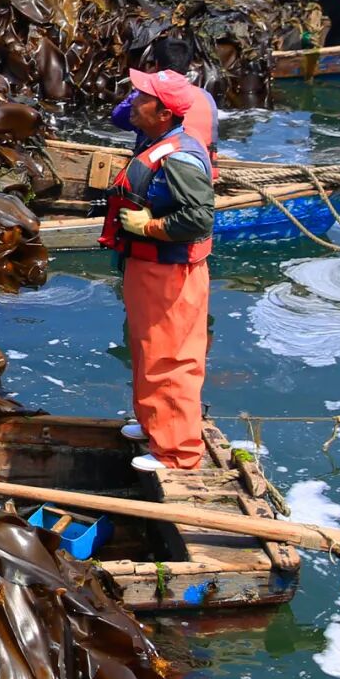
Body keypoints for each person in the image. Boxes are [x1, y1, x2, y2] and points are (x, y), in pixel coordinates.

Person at [100, 69, 215, 474]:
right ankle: (155, 426)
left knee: (172, 358)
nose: (132, 100)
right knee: (147, 350)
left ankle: (178, 454)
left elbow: (199, 219)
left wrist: (148, 227)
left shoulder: (180, 156)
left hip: (171, 273)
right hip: (147, 268)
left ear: (164, 112)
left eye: (141, 96)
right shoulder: (157, 140)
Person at [111, 31, 219, 177]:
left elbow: (118, 117)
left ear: (155, 65)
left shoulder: (153, 96)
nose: (138, 100)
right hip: (206, 171)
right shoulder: (206, 96)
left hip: (165, 171)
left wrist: (145, 86)